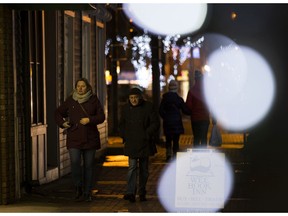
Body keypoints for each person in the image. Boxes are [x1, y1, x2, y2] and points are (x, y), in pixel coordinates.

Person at [54, 78, 105, 202]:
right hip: (74, 137)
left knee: (88, 166)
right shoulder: (71, 100)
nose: (80, 88)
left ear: (88, 87)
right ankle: (78, 187)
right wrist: (63, 123)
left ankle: (87, 192)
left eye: (83, 86)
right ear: (75, 88)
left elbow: (101, 117)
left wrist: (90, 120)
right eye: (78, 86)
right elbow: (58, 113)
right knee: (75, 163)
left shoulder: (93, 100)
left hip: (90, 138)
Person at [119, 87, 160, 203]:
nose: (133, 100)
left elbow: (155, 122)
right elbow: (121, 124)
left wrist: (146, 134)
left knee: (143, 169)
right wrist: (124, 136)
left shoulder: (148, 107)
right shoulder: (126, 108)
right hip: (131, 141)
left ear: (140, 97)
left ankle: (142, 192)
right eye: (131, 98)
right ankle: (131, 192)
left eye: (136, 98)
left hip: (144, 142)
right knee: (132, 168)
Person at [159, 80, 190, 161]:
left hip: (167, 123)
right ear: (176, 88)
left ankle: (168, 155)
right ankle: (175, 155)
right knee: (176, 141)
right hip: (176, 122)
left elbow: (160, 111)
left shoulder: (164, 99)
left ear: (169, 88)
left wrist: (166, 117)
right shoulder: (179, 99)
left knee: (168, 140)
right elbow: (185, 110)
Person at [185, 70, 210, 148]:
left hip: (195, 119)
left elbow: (188, 105)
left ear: (195, 79)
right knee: (203, 138)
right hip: (205, 118)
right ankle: (203, 157)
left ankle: (196, 157)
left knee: (196, 138)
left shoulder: (191, 91)